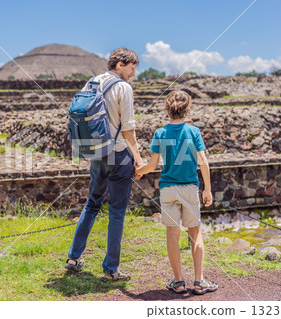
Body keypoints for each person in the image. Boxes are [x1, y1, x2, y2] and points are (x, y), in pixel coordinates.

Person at [65, 48, 143, 280]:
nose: (133, 74)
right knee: (117, 211)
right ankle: (111, 269)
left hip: (97, 153)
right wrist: (138, 159)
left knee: (92, 204)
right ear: (120, 64)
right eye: (132, 68)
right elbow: (128, 128)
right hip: (118, 154)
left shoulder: (91, 83)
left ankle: (73, 257)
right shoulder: (123, 87)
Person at [135, 91, 218, 295]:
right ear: (187, 109)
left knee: (172, 233)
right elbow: (204, 162)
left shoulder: (160, 133)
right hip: (189, 187)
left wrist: (138, 172)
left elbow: (152, 165)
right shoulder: (193, 131)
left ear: (167, 109)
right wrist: (207, 189)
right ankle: (199, 282)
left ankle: (179, 282)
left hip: (168, 189)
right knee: (195, 232)